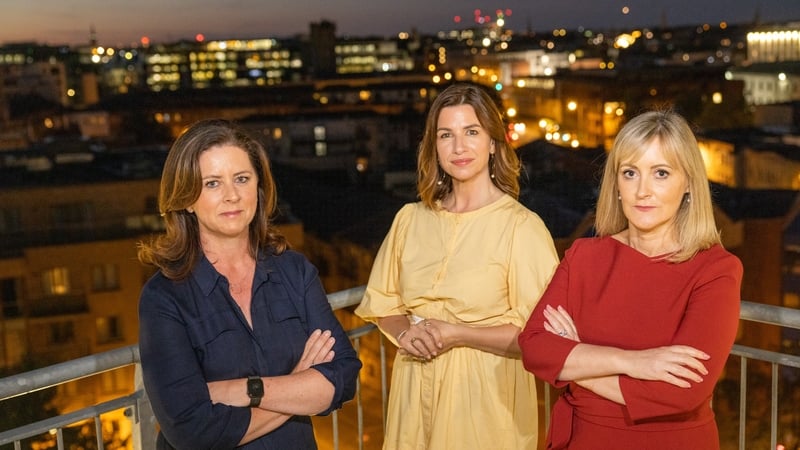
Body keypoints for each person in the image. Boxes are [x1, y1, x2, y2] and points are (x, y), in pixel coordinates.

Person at [518, 109, 743, 449]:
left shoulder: (715, 270)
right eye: (630, 173)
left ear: (688, 185)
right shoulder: (584, 256)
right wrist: (636, 362)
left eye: (661, 173)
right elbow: (535, 347)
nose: (642, 191)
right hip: (584, 438)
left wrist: (577, 359)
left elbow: (682, 391)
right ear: (616, 184)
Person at [355, 83, 560, 449]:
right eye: (446, 135)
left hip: (486, 405)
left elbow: (539, 337)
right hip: (412, 394)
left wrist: (459, 334)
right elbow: (383, 303)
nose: (459, 147)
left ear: (494, 142)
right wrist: (404, 333)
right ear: (434, 146)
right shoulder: (410, 219)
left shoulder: (522, 228)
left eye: (472, 132)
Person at [137, 119, 362, 449]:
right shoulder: (164, 298)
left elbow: (343, 377)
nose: (231, 195)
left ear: (258, 187)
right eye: (212, 183)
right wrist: (298, 384)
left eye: (241, 179)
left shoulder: (294, 271)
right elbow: (192, 431)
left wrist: (247, 389)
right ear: (187, 198)